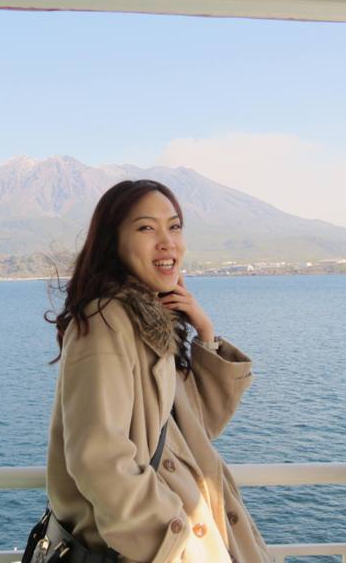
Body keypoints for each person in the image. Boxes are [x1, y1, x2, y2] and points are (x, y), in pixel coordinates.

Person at [43, 179, 270, 563]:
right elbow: (99, 459)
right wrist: (174, 544)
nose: (167, 242)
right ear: (112, 242)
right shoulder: (107, 322)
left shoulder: (145, 322)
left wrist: (207, 335)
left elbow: (195, 430)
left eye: (175, 226)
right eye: (147, 228)